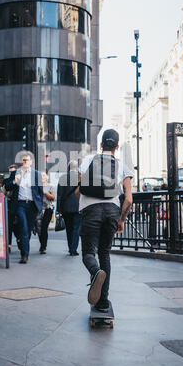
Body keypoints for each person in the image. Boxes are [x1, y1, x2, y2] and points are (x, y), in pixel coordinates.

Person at [76, 129, 133, 312]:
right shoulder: (123, 165)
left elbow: (78, 191)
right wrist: (121, 220)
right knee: (105, 254)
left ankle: (95, 272)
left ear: (101, 145)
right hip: (112, 212)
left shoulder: (87, 161)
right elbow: (129, 199)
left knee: (88, 254)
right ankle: (102, 303)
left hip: (90, 211)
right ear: (116, 147)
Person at [4, 152, 43, 264]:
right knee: (23, 227)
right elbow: (7, 187)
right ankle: (24, 254)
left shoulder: (36, 174)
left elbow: (40, 191)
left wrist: (39, 205)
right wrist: (14, 181)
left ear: (31, 162)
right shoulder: (16, 173)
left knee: (28, 230)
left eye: (27, 160)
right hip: (20, 204)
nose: (25, 162)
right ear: (21, 162)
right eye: (23, 160)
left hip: (32, 205)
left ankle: (24, 246)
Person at [57, 161, 81, 256]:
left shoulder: (63, 177)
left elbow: (59, 194)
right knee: (76, 229)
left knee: (69, 229)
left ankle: (70, 247)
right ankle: (73, 249)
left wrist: (59, 209)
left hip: (66, 207)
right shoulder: (80, 177)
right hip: (78, 206)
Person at [1, 164, 19, 253]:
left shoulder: (20, 179)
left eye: (12, 171)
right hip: (7, 204)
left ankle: (19, 242)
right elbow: (3, 190)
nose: (10, 173)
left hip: (17, 204)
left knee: (17, 226)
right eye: (9, 171)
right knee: (8, 226)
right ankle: (8, 245)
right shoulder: (6, 181)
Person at [37, 172, 55, 254]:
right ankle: (42, 244)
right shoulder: (37, 186)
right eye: (41, 176)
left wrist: (45, 193)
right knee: (39, 229)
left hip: (48, 209)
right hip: (38, 209)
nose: (42, 177)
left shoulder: (51, 186)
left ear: (47, 176)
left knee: (44, 228)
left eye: (44, 175)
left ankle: (43, 247)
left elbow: (53, 198)